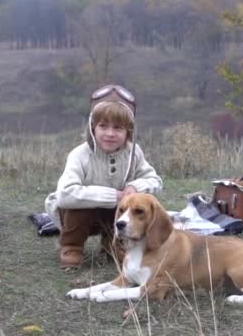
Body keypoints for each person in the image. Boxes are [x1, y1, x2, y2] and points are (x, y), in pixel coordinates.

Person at [44, 84, 163, 268]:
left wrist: (135, 188)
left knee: (127, 206)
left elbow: (155, 181)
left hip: (112, 216)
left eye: (118, 128)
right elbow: (65, 194)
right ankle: (72, 247)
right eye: (103, 126)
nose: (110, 133)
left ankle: (113, 244)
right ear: (93, 127)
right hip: (78, 218)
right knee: (79, 206)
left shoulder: (133, 153)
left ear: (128, 132)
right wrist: (114, 195)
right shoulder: (80, 155)